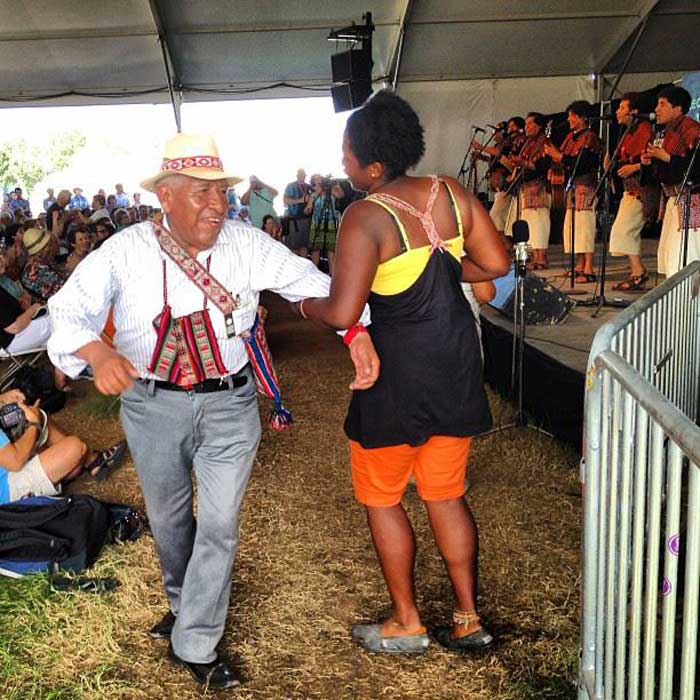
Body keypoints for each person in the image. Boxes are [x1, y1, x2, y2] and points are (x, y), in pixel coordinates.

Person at [46, 132, 377, 690]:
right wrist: (98, 352)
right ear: (166, 197)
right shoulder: (124, 251)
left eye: (221, 192)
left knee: (219, 525)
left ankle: (195, 640)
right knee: (171, 520)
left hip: (230, 403)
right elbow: (67, 312)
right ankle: (183, 606)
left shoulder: (246, 244)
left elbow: (314, 285)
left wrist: (357, 332)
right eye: (200, 193)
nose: (216, 204)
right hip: (152, 405)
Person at [298, 91, 509, 654]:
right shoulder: (451, 192)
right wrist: (442, 267)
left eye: (346, 155)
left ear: (372, 164)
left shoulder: (365, 215)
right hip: (457, 370)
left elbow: (343, 310)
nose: (342, 164)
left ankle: (407, 621)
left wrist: (303, 307)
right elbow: (496, 263)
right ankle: (468, 619)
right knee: (446, 495)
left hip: (393, 379)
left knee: (383, 497)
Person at [0, 389, 127, 505]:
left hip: (6, 469)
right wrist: (34, 424)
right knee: (75, 448)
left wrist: (2, 399)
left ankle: (92, 461)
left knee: (38, 415)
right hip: (8, 491)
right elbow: (15, 461)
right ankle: (92, 462)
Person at [641, 85, 700, 277]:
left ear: (678, 108)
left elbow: (696, 165)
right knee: (669, 254)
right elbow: (661, 173)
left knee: (685, 253)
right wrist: (648, 163)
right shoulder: (664, 132)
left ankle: (690, 300)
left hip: (691, 200)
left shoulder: (691, 128)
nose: (657, 109)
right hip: (673, 200)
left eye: (662, 104)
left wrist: (666, 157)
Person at [545, 100, 601, 282]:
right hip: (572, 187)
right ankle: (578, 264)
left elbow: (582, 163)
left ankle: (589, 268)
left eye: (572, 116)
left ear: (582, 117)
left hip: (585, 185)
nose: (569, 119)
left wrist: (559, 156)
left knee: (585, 227)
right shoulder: (571, 137)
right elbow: (564, 160)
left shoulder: (590, 137)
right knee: (573, 227)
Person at [608, 93, 656, 291]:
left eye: (621, 108)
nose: (617, 112)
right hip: (630, 190)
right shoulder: (628, 132)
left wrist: (634, 167)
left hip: (641, 190)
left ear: (634, 112)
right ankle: (636, 271)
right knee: (625, 231)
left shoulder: (644, 129)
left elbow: (649, 158)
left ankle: (638, 272)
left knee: (625, 230)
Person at [510, 112, 551, 269]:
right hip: (527, 186)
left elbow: (542, 166)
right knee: (530, 223)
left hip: (539, 186)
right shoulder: (528, 143)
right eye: (525, 124)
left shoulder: (545, 143)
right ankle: (534, 255)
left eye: (529, 124)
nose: (526, 127)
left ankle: (542, 258)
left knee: (539, 221)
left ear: (539, 126)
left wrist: (523, 163)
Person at [306, 176, 342, 275]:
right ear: (313, 182)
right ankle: (313, 274)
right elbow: (306, 210)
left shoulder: (331, 191)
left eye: (319, 178)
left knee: (331, 250)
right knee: (316, 249)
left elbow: (340, 195)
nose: (319, 179)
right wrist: (310, 204)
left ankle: (332, 275)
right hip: (317, 223)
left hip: (330, 222)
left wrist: (336, 186)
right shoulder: (313, 195)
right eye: (316, 179)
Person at [21, 228, 68, 302]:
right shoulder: (36, 273)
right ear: (47, 249)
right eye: (52, 243)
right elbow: (65, 292)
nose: (56, 245)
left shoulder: (39, 262)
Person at [283, 168, 312, 256]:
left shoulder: (309, 187)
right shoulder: (291, 186)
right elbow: (285, 201)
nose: (301, 176)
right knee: (293, 248)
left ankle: (303, 267)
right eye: (300, 174)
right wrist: (301, 200)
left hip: (307, 220)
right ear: (297, 175)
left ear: (305, 176)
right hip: (294, 221)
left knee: (304, 246)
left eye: (303, 174)